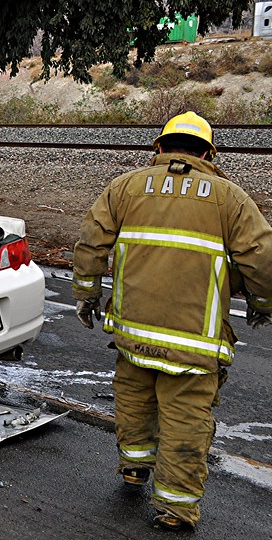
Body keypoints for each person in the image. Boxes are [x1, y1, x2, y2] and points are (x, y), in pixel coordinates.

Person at [72, 111, 272, 532]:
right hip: (193, 341)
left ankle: (133, 468)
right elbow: (263, 262)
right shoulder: (229, 198)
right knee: (185, 418)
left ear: (159, 149)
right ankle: (176, 508)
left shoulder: (124, 188)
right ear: (208, 154)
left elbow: (91, 244)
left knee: (134, 401)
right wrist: (263, 303)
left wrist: (87, 294)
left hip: (133, 331)